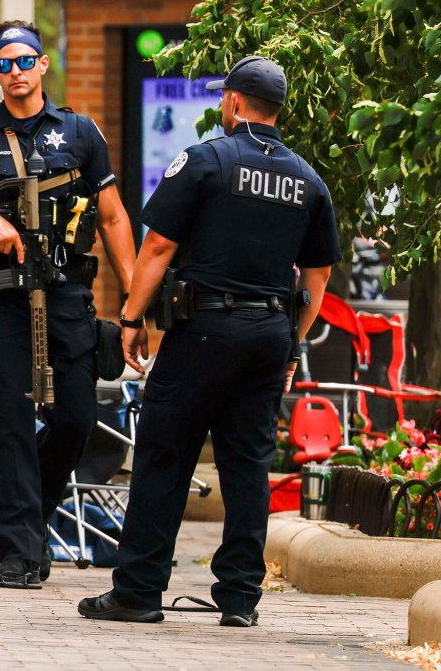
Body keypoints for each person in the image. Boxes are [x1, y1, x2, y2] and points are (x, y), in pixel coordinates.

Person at [78, 56, 340, 626]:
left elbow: (157, 248)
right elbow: (316, 279)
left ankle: (139, 592)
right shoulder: (308, 179)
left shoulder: (203, 161)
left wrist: (130, 317)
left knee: (164, 453)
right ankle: (240, 598)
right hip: (269, 332)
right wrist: (291, 345)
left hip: (204, 330)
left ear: (234, 102)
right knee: (247, 463)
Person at [0, 20, 139, 589]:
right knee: (6, 425)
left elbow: (113, 216)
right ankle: (18, 551)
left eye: (25, 61)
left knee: (75, 420)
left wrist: (137, 301)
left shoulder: (79, 131)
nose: (15, 72)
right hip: (1, 301)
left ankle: (31, 517)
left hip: (68, 297)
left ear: (43, 64)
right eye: (4, 63)